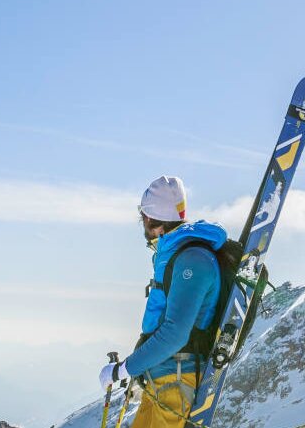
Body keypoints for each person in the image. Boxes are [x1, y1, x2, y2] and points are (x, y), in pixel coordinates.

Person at [99, 175, 228, 428]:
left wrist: (124, 369)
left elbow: (175, 334)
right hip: (163, 378)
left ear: (149, 218)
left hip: (176, 381)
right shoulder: (178, 254)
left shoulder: (192, 259)